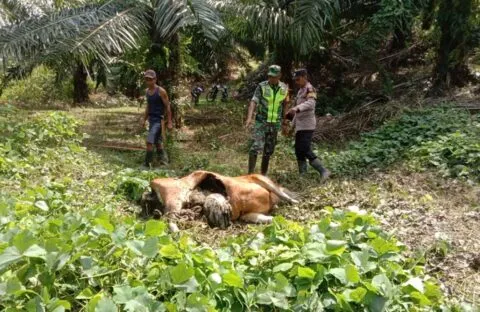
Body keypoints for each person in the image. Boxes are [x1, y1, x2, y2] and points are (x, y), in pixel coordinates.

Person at [245, 65, 289, 175]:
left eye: (274, 76)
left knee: (268, 150)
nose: (271, 78)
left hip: (275, 124)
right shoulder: (262, 86)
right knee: (256, 147)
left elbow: (285, 105)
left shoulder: (284, 88)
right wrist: (249, 118)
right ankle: (250, 174)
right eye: (270, 76)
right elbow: (253, 101)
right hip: (261, 122)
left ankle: (263, 175)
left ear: (279, 76)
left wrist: (285, 121)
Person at [286, 68, 330, 178]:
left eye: (298, 79)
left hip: (307, 125)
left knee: (305, 148)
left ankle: (324, 171)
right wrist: (292, 126)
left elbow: (311, 104)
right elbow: (297, 113)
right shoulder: (300, 91)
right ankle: (303, 175)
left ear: (305, 77)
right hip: (300, 126)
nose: (296, 82)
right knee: (298, 150)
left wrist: (296, 108)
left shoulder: (310, 89)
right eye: (295, 80)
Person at [141, 69, 173, 168]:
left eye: (150, 79)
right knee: (158, 142)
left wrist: (170, 122)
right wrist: (144, 119)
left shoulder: (161, 91)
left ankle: (147, 164)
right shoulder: (147, 92)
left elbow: (167, 106)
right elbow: (148, 107)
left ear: (155, 79)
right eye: (146, 79)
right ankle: (163, 162)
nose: (148, 81)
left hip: (159, 120)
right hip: (151, 120)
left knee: (149, 141)